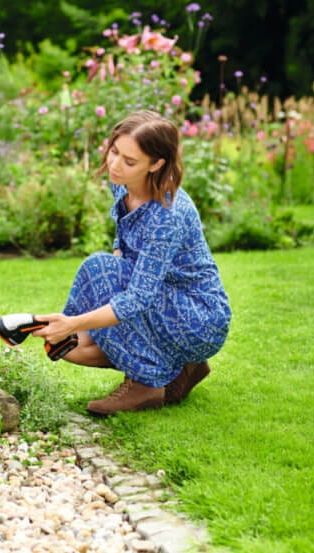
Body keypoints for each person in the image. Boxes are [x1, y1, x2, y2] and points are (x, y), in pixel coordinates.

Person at [33, 110, 231, 416]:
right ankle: (181, 368)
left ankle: (146, 385)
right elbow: (123, 234)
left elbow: (138, 298)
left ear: (156, 164)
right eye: (114, 152)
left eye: (129, 161)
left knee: (97, 272)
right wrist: (114, 277)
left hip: (198, 318)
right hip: (161, 301)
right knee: (70, 347)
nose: (114, 165)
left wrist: (73, 321)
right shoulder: (122, 185)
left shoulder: (168, 214)